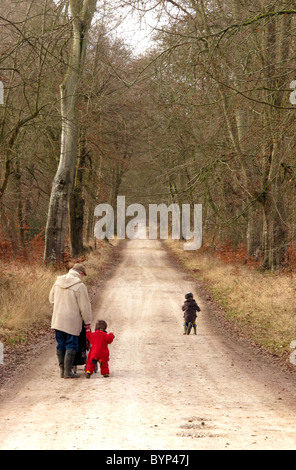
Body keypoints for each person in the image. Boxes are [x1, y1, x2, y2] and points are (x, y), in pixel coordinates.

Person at [49, 263, 92, 378]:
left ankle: (62, 371)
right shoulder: (80, 286)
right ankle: (68, 372)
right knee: (71, 344)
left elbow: (51, 299)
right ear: (81, 273)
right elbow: (85, 306)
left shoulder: (57, 282)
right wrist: (87, 322)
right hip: (72, 320)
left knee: (60, 344)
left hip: (58, 319)